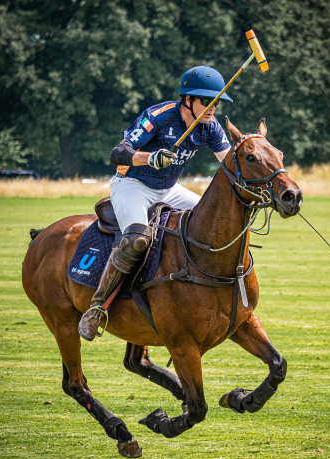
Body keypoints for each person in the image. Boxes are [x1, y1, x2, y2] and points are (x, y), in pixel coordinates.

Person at [78, 66, 233, 341]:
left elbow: (230, 163)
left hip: (169, 189)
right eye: (206, 101)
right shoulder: (159, 117)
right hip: (133, 185)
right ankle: (96, 308)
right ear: (187, 99)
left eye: (216, 102)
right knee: (137, 238)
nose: (212, 108)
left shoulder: (210, 127)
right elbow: (118, 153)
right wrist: (149, 157)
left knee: (212, 223)